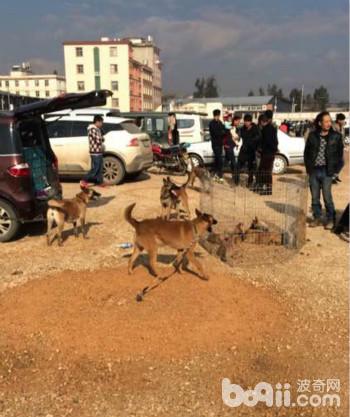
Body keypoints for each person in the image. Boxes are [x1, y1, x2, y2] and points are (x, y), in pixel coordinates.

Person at [304, 111, 344, 230]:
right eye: (325, 121)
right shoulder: (312, 136)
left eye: (329, 121)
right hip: (314, 171)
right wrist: (308, 168)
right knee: (315, 197)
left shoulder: (336, 136)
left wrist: (335, 171)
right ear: (320, 123)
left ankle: (331, 219)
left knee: (327, 197)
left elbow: (339, 155)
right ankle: (317, 217)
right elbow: (306, 153)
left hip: (327, 171)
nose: (328, 123)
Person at [234, 114, 260, 187]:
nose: (246, 123)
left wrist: (256, 148)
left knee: (251, 168)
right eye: (245, 121)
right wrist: (237, 138)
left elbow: (258, 139)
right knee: (238, 166)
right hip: (244, 150)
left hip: (251, 151)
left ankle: (250, 182)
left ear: (250, 122)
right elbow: (239, 137)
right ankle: (236, 181)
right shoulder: (242, 129)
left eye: (247, 122)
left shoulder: (255, 129)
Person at [256, 110, 278, 195]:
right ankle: (266, 188)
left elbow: (266, 142)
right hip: (270, 153)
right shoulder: (273, 128)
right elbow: (275, 142)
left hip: (267, 153)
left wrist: (261, 150)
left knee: (265, 171)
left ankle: (267, 189)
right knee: (266, 171)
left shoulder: (266, 129)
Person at [80, 115, 106, 187]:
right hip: (95, 151)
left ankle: (99, 182)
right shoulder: (92, 129)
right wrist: (102, 138)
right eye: (101, 122)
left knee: (100, 168)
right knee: (95, 168)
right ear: (97, 122)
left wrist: (101, 136)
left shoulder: (97, 129)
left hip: (99, 151)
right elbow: (98, 140)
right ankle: (84, 180)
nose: (101, 124)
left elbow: (101, 138)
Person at [209, 109, 226, 183]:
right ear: (214, 116)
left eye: (218, 116)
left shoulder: (220, 122)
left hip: (220, 143)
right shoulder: (211, 123)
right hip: (215, 144)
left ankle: (214, 173)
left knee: (217, 159)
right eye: (216, 116)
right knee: (220, 160)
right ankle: (220, 175)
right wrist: (221, 132)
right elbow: (215, 133)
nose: (217, 117)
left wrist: (222, 132)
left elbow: (224, 130)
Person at [332, 113, 346, 184]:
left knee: (341, 162)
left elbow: (342, 137)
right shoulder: (333, 126)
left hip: (340, 147)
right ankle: (332, 177)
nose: (344, 121)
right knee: (341, 162)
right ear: (338, 120)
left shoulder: (341, 126)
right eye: (342, 120)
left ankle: (335, 176)